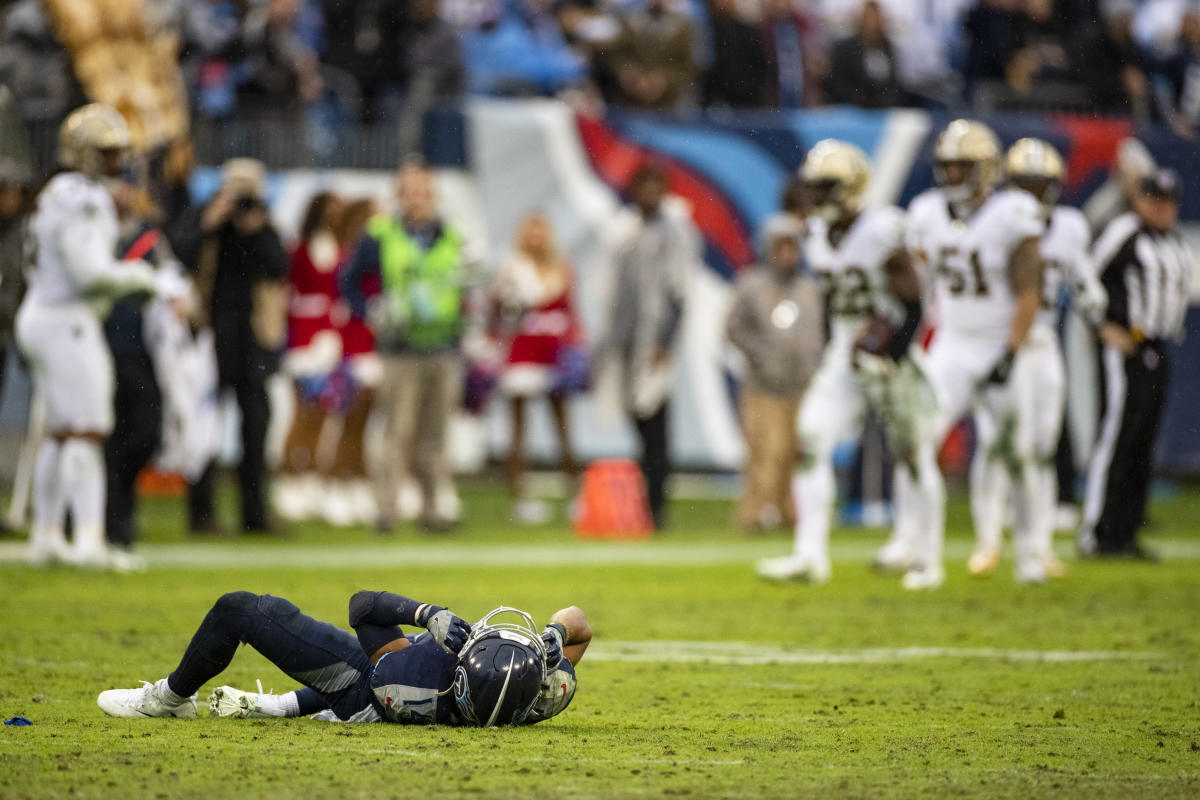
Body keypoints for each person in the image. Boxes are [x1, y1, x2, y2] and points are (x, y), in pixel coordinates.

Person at [754, 141, 927, 584]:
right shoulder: (814, 234)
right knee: (809, 440)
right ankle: (810, 555)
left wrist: (891, 354)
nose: (815, 196)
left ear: (851, 187)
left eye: (825, 187)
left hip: (891, 347)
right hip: (846, 352)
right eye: (812, 187)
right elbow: (832, 301)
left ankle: (912, 544)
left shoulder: (882, 229)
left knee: (909, 450)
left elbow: (913, 301)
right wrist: (831, 350)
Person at [97, 589, 590, 728]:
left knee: (241, 611)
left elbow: (363, 610)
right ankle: (274, 707)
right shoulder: (542, 692)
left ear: (458, 675)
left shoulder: (412, 676)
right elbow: (579, 622)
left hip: (365, 685)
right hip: (380, 685)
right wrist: (554, 631)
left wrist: (426, 613)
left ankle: (169, 698)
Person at [15, 103, 161, 568]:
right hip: (68, 319)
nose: (117, 162)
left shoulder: (56, 190)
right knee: (85, 431)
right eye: (107, 152)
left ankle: (47, 535)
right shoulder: (82, 196)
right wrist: (141, 278)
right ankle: (90, 541)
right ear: (83, 152)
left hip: (44, 313)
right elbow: (89, 273)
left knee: (60, 433)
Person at [908, 119, 1047, 586]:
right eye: (946, 166)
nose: (951, 176)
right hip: (951, 343)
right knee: (917, 441)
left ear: (985, 168)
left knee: (1018, 454)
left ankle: (1029, 554)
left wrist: (1011, 351)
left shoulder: (1013, 213)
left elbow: (1029, 291)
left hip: (997, 344)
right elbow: (920, 276)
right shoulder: (926, 212)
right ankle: (925, 558)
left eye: (961, 167)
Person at [965, 138, 1106, 578]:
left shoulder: (1069, 226)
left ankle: (1038, 544)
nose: (1030, 194)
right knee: (996, 443)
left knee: (1042, 446)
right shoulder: (995, 221)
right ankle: (988, 539)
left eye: (1039, 184)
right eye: (1023, 183)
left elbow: (1084, 281)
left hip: (1042, 340)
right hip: (1004, 339)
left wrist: (1097, 306)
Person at [340, 160, 468, 532]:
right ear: (399, 196)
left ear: (433, 194)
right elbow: (349, 281)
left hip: (444, 345)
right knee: (395, 431)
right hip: (399, 348)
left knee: (436, 435)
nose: (416, 199)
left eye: (422, 191)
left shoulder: (451, 236)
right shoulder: (380, 233)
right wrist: (372, 311)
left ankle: (433, 509)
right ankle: (386, 510)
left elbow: (467, 285)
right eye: (409, 191)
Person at [1079, 168, 1193, 559]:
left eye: (1167, 203)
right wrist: (1102, 326)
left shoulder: (1173, 242)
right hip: (1125, 345)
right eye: (1154, 201)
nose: (1160, 210)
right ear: (1140, 200)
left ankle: (1126, 532)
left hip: (1158, 348)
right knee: (1116, 437)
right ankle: (1097, 532)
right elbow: (1085, 278)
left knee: (1143, 441)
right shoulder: (1124, 232)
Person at [174, 158, 289, 535]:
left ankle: (254, 515)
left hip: (252, 339)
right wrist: (210, 223)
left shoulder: (263, 223)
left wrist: (254, 229)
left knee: (255, 430)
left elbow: (279, 267)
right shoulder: (205, 218)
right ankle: (201, 514)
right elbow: (179, 255)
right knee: (204, 429)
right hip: (210, 336)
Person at [605, 164, 697, 530]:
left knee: (655, 425)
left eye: (655, 187)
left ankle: (656, 505)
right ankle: (643, 502)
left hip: (652, 341)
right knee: (639, 423)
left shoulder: (675, 232)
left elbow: (680, 292)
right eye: (643, 186)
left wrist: (665, 341)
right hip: (627, 342)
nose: (649, 194)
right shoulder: (628, 230)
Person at [726, 215, 823, 531]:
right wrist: (762, 357)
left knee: (795, 455)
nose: (788, 255)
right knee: (765, 452)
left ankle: (789, 515)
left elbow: (821, 333)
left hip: (803, 387)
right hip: (763, 386)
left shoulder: (809, 290)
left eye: (793, 247)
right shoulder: (752, 285)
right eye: (781, 247)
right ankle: (755, 514)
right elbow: (734, 328)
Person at [492, 213, 583, 525]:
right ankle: (521, 498)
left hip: (554, 356)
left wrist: (575, 347)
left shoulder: (562, 267)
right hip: (521, 355)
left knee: (563, 430)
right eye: (530, 232)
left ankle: (576, 494)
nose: (536, 238)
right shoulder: (511, 268)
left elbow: (571, 311)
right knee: (518, 430)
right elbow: (499, 312)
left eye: (540, 231)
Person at [824, 1, 903, 108]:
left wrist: (882, 102)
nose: (872, 22)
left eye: (875, 18)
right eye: (868, 17)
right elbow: (838, 83)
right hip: (853, 110)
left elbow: (894, 84)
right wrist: (862, 101)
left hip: (882, 111)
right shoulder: (845, 48)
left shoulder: (888, 47)